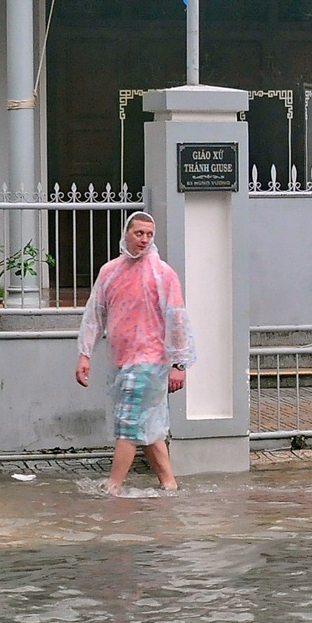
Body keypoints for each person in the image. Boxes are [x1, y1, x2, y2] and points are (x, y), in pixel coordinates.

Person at [76, 211, 196, 494]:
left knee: (129, 424)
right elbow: (95, 315)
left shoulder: (162, 274)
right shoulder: (110, 272)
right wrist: (84, 354)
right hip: (121, 360)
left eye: (149, 234)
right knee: (150, 428)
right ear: (126, 234)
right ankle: (169, 485)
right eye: (138, 233)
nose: (144, 239)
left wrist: (180, 363)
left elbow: (177, 318)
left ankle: (113, 486)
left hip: (150, 362)